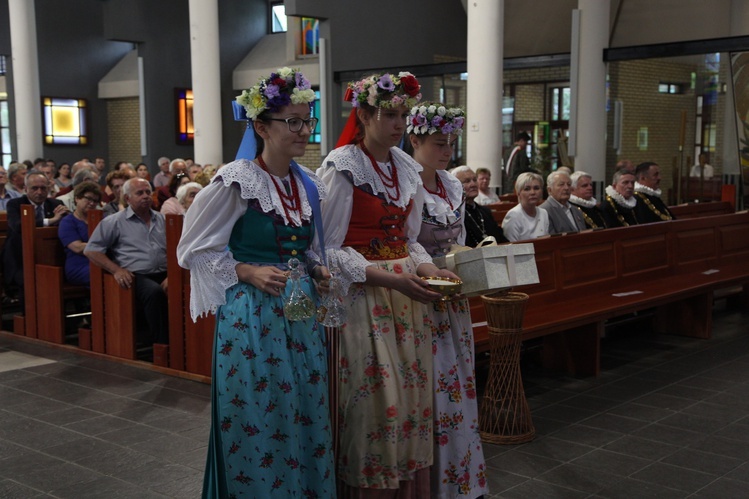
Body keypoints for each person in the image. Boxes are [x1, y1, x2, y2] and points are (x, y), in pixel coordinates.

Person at [177, 67, 335, 498]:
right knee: (262, 412)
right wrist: (245, 270)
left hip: (300, 315)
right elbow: (191, 249)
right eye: (293, 122)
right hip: (253, 317)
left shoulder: (307, 182)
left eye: (308, 120)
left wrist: (317, 269)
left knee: (303, 407)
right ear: (261, 127)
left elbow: (309, 246)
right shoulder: (237, 181)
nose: (304, 130)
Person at [319, 71, 449, 496]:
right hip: (363, 299)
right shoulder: (342, 168)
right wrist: (393, 281)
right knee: (376, 403)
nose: (399, 124)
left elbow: (409, 239)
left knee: (410, 399)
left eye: (402, 115)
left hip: (404, 298)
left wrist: (428, 270)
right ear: (363, 114)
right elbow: (329, 250)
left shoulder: (406, 168)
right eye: (390, 115)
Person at [408, 103, 489, 499]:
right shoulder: (405, 185)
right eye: (439, 143)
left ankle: (460, 476)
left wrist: (471, 259)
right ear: (415, 140)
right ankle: (432, 480)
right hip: (420, 294)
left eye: (451, 143)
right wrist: (431, 269)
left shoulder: (450, 184)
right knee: (431, 385)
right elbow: (402, 243)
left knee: (456, 380)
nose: (447, 151)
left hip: (452, 295)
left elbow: (456, 237)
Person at [84, 177, 169, 345]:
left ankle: (191, 343)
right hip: (136, 275)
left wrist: (174, 275)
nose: (145, 196)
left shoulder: (163, 219)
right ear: (127, 198)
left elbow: (178, 250)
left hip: (166, 273)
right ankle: (163, 346)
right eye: (139, 193)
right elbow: (92, 250)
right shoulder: (114, 221)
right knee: (154, 293)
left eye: (148, 192)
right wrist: (116, 270)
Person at [4, 172, 69, 293]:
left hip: (50, 257)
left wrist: (67, 216)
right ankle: (27, 312)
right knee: (29, 281)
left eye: (43, 188)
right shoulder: (15, 204)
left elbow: (68, 225)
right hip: (20, 260)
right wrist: (51, 221)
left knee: (61, 276)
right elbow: (18, 226)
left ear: (48, 189)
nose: (39, 192)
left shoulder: (56, 204)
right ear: (25, 189)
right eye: (34, 188)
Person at [452, 166, 507, 247]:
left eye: (474, 180)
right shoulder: (454, 215)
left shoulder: (485, 211)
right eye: (467, 181)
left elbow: (500, 239)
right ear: (454, 186)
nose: (473, 184)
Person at [58, 183, 101, 285]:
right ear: (77, 199)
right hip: (79, 265)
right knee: (107, 274)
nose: (92, 203)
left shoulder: (101, 219)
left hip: (101, 261)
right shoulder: (68, 222)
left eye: (95, 201)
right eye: (88, 199)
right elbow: (77, 248)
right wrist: (104, 245)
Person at [501, 171, 549, 241]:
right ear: (519, 193)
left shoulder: (543, 213)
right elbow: (511, 247)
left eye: (536, 188)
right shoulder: (513, 215)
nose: (533, 192)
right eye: (527, 189)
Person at [539, 170, 587, 235]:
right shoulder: (544, 211)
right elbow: (550, 240)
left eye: (569, 184)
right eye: (561, 185)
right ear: (549, 190)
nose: (566, 188)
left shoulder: (576, 210)